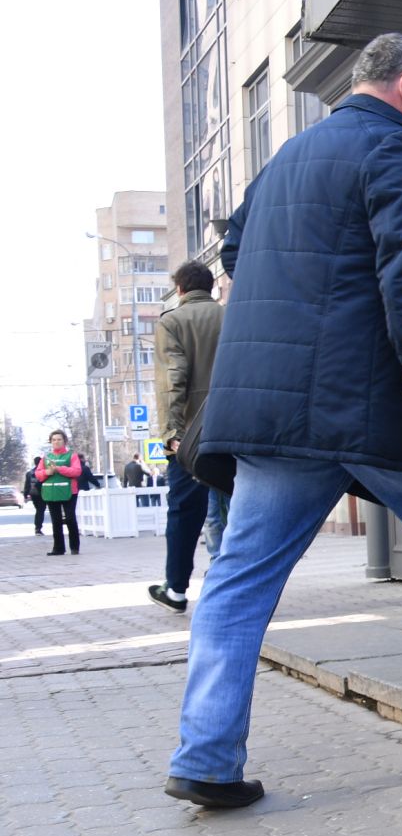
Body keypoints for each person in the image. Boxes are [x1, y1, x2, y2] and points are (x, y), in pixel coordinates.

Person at [163, 32, 402, 811]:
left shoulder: (290, 157)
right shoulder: (398, 151)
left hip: (272, 409)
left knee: (238, 580)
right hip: (360, 400)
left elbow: (236, 244)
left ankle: (204, 757)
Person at [147, 260, 224, 613]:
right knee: (235, 508)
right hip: (233, 428)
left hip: (192, 436)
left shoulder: (172, 321)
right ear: (209, 287)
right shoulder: (232, 316)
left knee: (184, 511)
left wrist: (171, 435)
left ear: (180, 289)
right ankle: (226, 584)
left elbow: (172, 382)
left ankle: (176, 589)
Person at [34, 432, 81, 556]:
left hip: (69, 492)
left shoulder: (72, 455)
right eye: (54, 440)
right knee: (56, 520)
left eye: (59, 439)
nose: (56, 442)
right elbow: (38, 474)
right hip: (51, 492)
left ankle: (75, 547)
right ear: (50, 441)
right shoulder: (46, 457)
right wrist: (47, 472)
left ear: (64, 441)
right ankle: (58, 548)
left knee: (70, 519)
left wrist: (59, 469)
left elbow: (76, 472)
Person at [26, 460, 44, 535]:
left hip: (34, 494)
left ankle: (37, 528)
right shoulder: (43, 471)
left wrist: (26, 494)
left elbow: (27, 484)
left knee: (38, 510)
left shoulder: (29, 473)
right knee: (40, 511)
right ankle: (38, 528)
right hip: (43, 493)